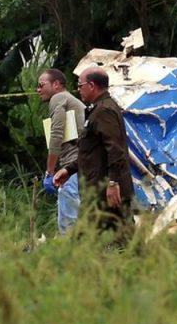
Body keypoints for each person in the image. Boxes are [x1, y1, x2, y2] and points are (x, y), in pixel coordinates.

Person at [52, 67, 134, 237]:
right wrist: (69, 169)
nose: (78, 90)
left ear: (91, 85)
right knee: (125, 240)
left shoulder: (104, 111)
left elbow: (115, 150)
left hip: (105, 192)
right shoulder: (98, 109)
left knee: (87, 241)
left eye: (80, 85)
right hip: (99, 190)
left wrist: (113, 183)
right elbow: (91, 151)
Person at [36, 68, 86, 235]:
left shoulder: (59, 98)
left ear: (56, 84)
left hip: (72, 166)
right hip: (83, 165)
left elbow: (56, 133)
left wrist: (49, 171)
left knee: (68, 224)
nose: (38, 89)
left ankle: (71, 258)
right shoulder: (73, 101)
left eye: (41, 85)